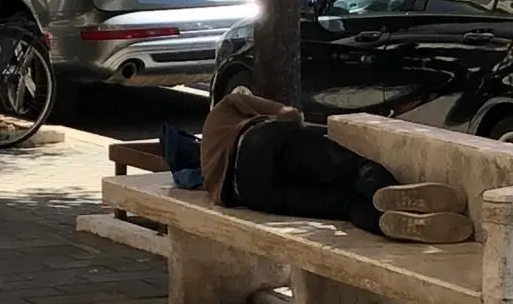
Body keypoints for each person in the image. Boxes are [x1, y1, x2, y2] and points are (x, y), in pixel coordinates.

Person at [200, 92, 473, 244]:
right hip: (259, 143)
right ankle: (400, 198)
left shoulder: (207, 167)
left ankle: (394, 224)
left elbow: (222, 197)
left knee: (345, 206)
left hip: (250, 191)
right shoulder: (227, 106)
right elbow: (290, 115)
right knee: (354, 171)